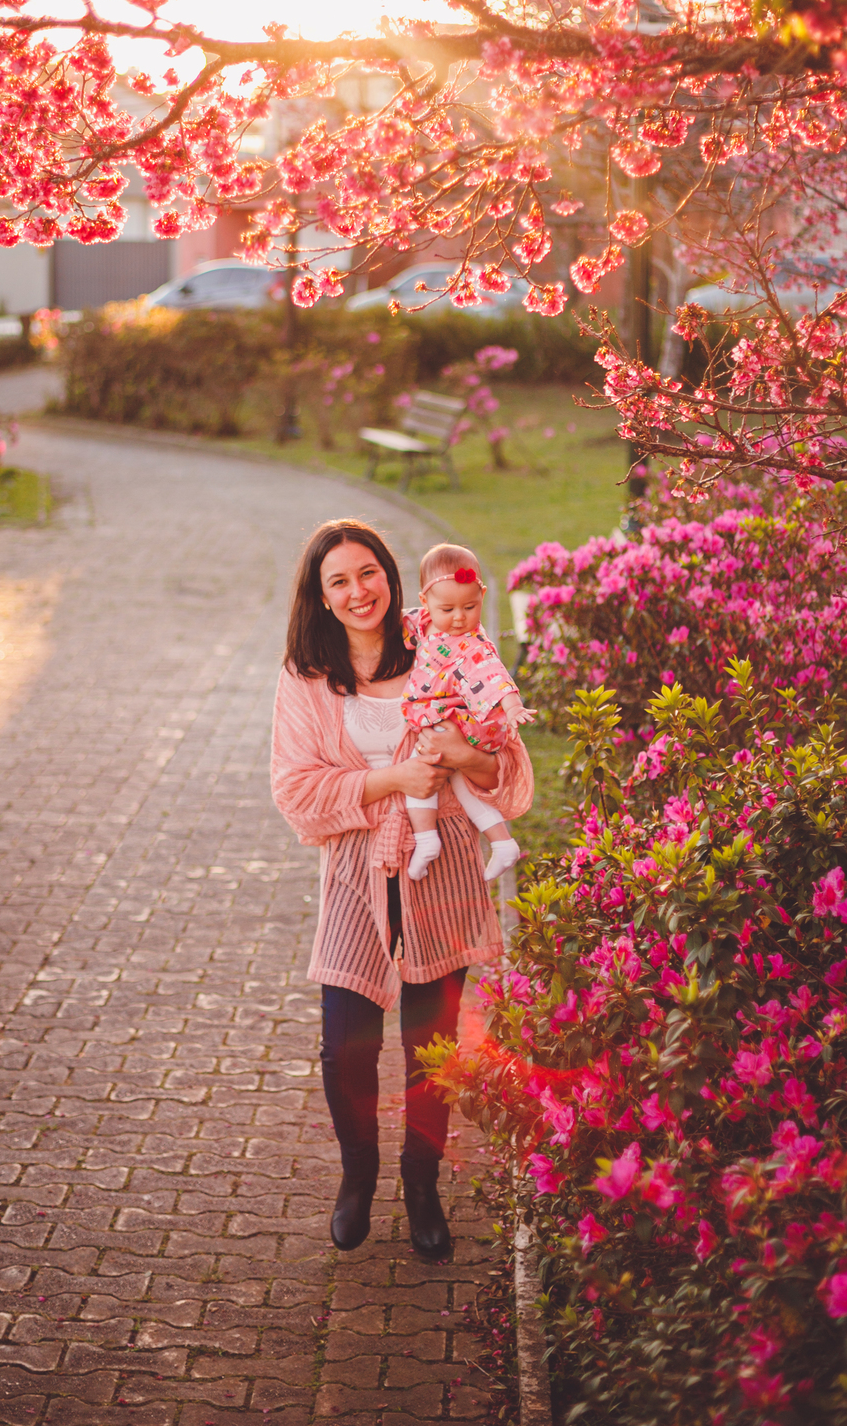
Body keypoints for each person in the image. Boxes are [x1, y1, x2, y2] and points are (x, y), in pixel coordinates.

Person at [270, 518, 533, 1259]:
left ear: (394, 576)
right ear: (320, 598)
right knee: (344, 1046)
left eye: (369, 573)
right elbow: (296, 791)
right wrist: (395, 779)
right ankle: (359, 1176)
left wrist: (461, 757)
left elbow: (506, 769)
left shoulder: (448, 644)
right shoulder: (306, 675)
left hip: (442, 859)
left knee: (434, 1042)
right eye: (339, 581)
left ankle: (423, 1184)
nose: (359, 592)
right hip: (357, 869)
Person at [400, 541, 532, 885]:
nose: (459, 617)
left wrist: (513, 705)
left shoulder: (472, 645)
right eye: (448, 609)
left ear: (482, 597)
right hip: (449, 717)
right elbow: (406, 625)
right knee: (460, 780)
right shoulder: (427, 620)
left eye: (470, 606)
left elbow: (494, 675)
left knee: (421, 765)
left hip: (465, 723)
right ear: (426, 601)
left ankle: (426, 839)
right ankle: (503, 843)